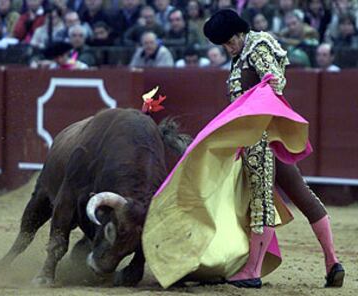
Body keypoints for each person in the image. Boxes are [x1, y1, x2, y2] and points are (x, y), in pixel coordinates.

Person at [142, 9, 345, 290]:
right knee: (299, 192)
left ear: (239, 33)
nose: (228, 48)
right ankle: (332, 261)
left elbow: (275, 80)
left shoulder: (257, 44)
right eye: (223, 45)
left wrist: (266, 93)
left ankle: (252, 269)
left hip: (258, 137)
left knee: (261, 202)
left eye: (229, 42)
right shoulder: (242, 54)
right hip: (262, 134)